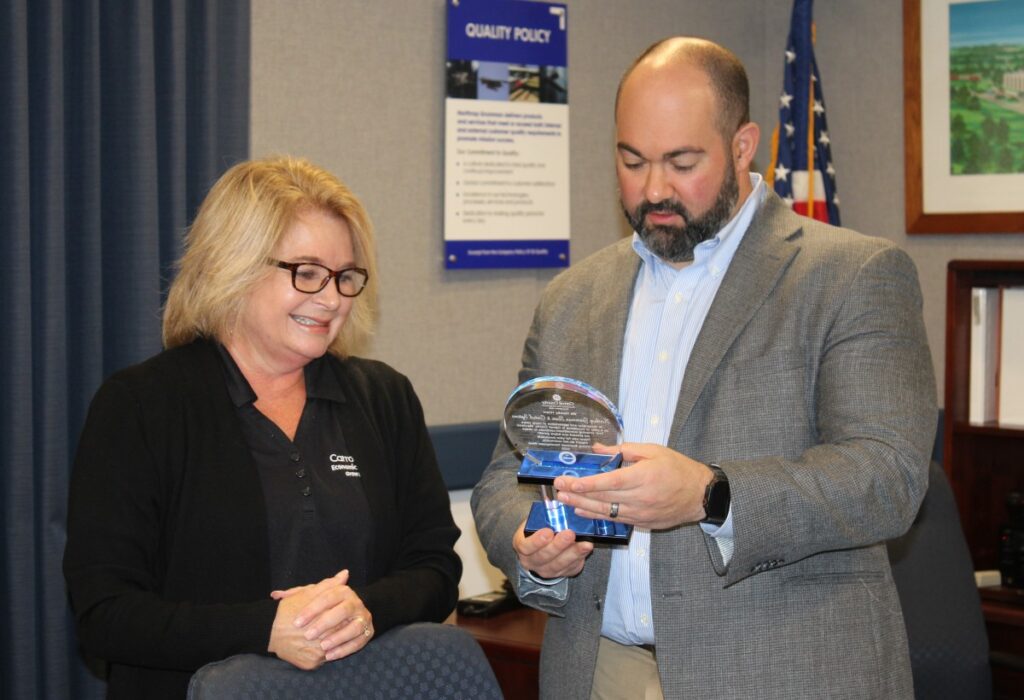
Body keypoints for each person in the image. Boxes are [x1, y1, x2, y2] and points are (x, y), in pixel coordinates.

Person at [472, 37, 936, 699]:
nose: (654, 189)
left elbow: (887, 476)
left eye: (682, 162)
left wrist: (710, 494)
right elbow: (506, 475)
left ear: (743, 146)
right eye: (632, 161)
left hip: (779, 675)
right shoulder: (572, 298)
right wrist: (528, 542)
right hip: (597, 669)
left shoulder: (850, 275)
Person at [63, 156, 462, 699]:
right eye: (307, 272)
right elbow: (106, 613)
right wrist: (264, 630)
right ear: (234, 266)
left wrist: (366, 610)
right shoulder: (141, 407)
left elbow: (435, 567)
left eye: (345, 277)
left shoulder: (384, 398)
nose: (332, 299)